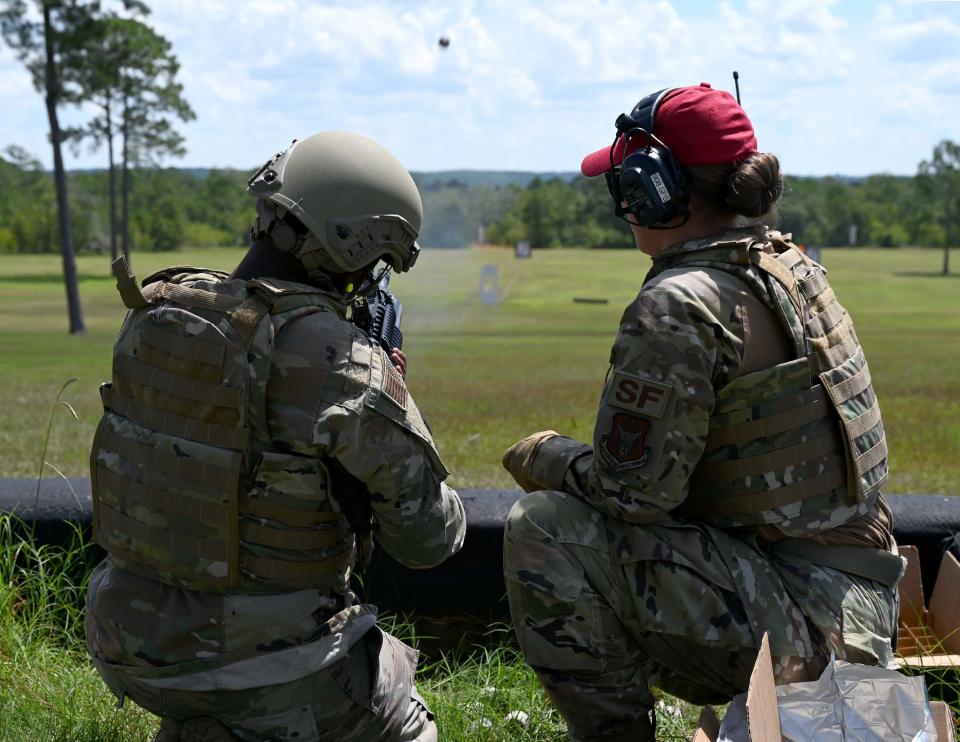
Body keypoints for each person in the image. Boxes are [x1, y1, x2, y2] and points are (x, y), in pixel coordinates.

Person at [501, 83, 902, 741]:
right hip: (857, 610)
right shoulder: (794, 267)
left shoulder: (681, 303)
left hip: (805, 632)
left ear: (656, 188)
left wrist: (543, 454)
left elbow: (632, 495)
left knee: (543, 526)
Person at [84, 131, 466, 742]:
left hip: (123, 642)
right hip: (260, 667)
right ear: (355, 248)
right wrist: (386, 372)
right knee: (404, 718)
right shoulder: (343, 362)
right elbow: (429, 540)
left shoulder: (155, 314)